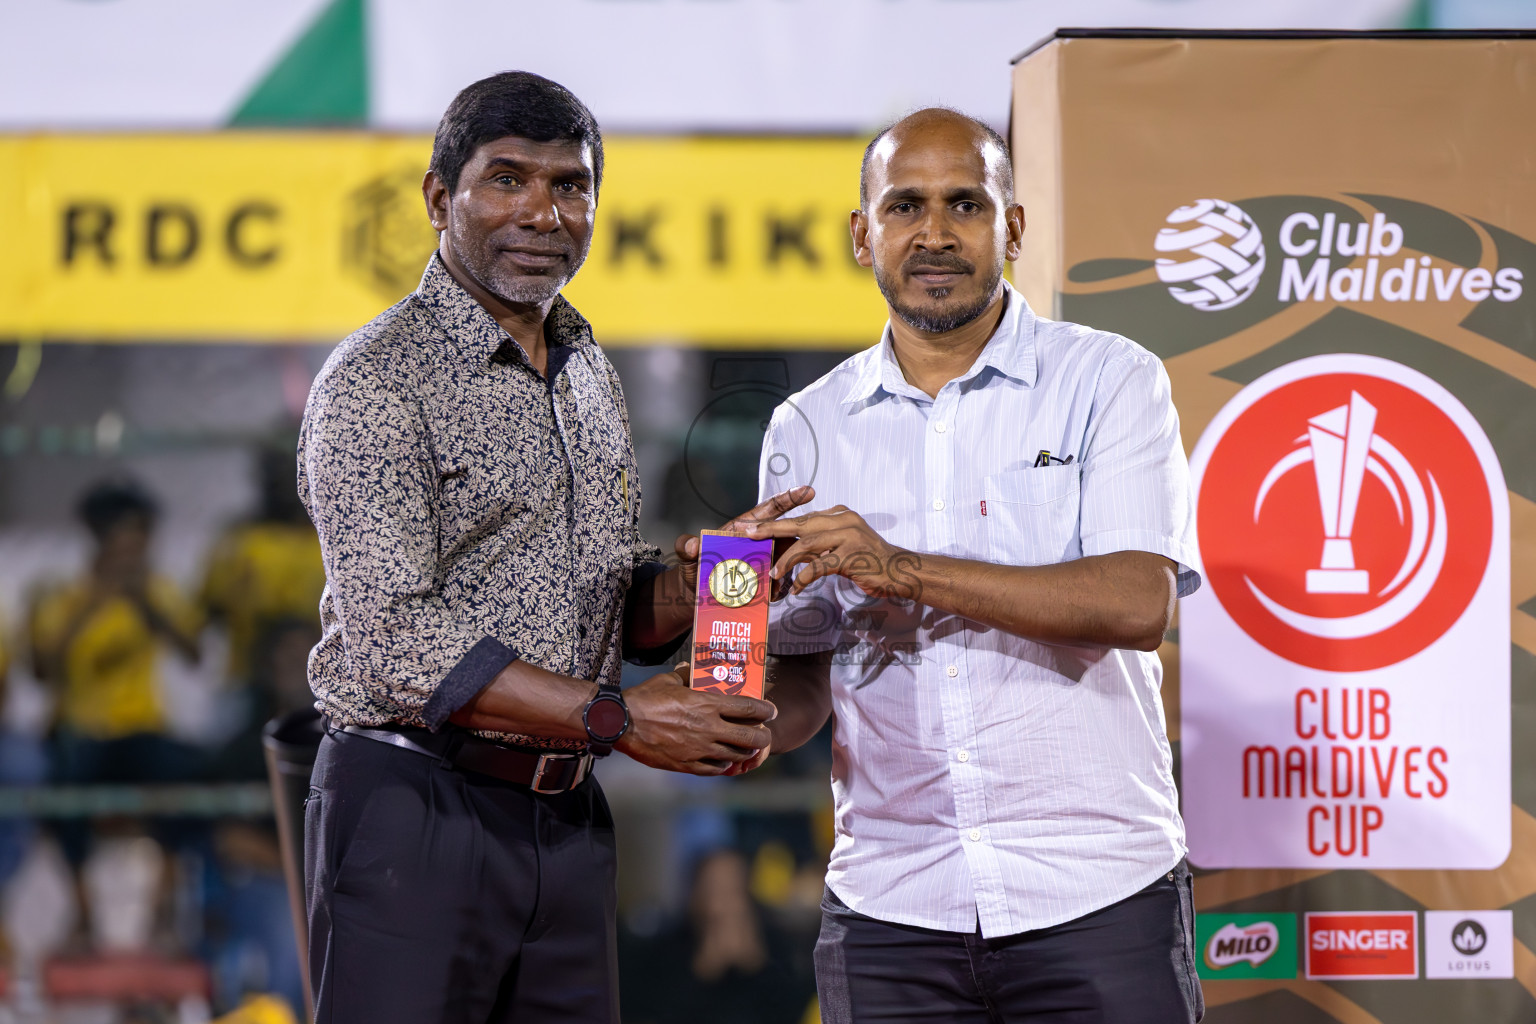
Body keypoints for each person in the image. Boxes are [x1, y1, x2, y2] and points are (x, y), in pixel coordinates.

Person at [298, 71, 805, 1024]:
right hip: (414, 806)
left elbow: (597, 598)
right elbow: (397, 640)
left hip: (563, 819)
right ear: (439, 198)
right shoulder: (375, 382)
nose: (542, 211)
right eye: (508, 179)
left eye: (570, 185)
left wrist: (708, 582)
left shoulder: (584, 368)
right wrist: (621, 722)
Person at [749, 108, 1205, 1023]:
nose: (934, 232)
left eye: (966, 203)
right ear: (860, 233)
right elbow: (804, 667)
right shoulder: (807, 424)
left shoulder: (1109, 380)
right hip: (889, 906)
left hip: (1095, 894)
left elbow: (1133, 603)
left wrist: (903, 569)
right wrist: (736, 720)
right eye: (904, 206)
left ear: (1015, 227)